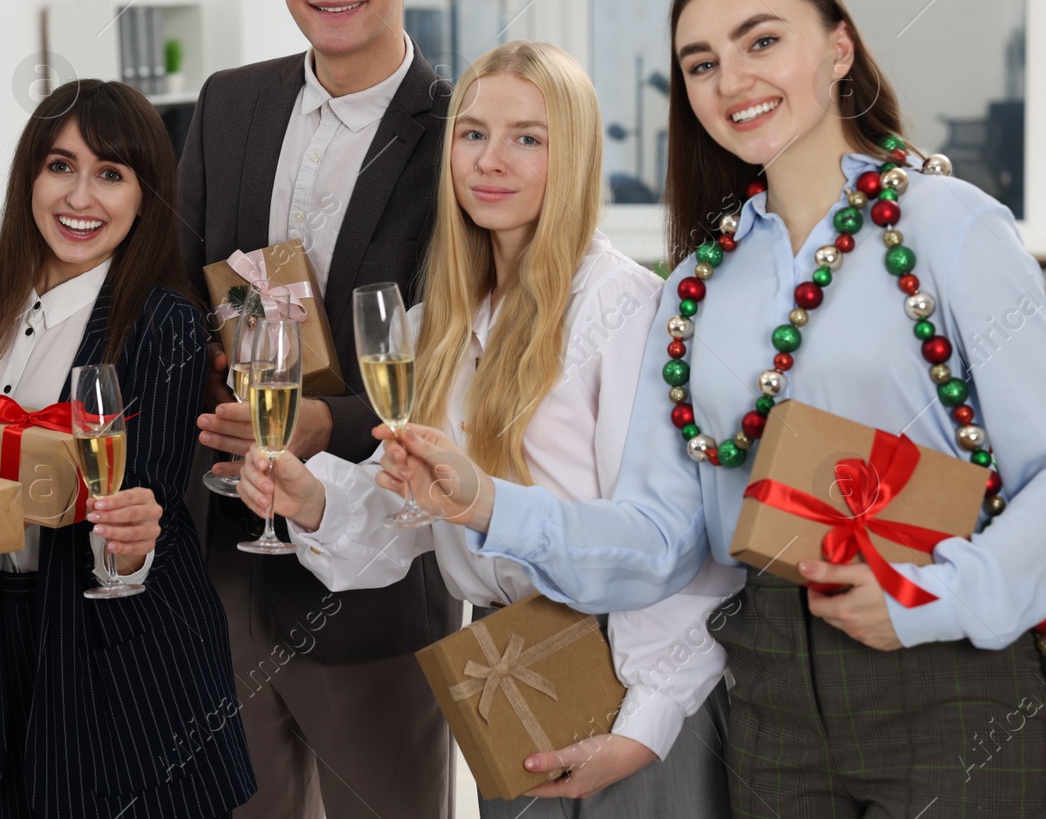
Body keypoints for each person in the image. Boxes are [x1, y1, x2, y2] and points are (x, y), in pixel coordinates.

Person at [380, 0, 1046, 815]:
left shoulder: (953, 227)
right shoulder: (699, 281)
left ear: (840, 49)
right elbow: (662, 537)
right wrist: (485, 503)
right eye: (702, 62)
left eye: (761, 42)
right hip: (766, 689)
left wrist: (930, 597)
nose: (731, 79)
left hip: (951, 671)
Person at [237, 41, 741, 816]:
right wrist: (312, 499)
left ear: (570, 156)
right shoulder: (436, 320)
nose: (489, 160)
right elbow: (414, 515)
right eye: (472, 134)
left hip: (632, 665)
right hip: (506, 659)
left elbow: (676, 546)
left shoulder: (628, 309)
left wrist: (647, 723)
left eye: (526, 138)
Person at [176, 0, 458, 818]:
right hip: (222, 564)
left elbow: (468, 361)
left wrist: (320, 428)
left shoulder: (468, 136)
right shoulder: (227, 103)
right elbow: (179, 289)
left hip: (375, 577)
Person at [0, 79, 254, 818]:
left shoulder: (163, 322)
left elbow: (147, 498)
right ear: (28, 176)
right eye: (60, 165)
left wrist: (136, 534)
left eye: (111, 174)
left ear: (145, 196)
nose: (81, 196)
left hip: (116, 644)